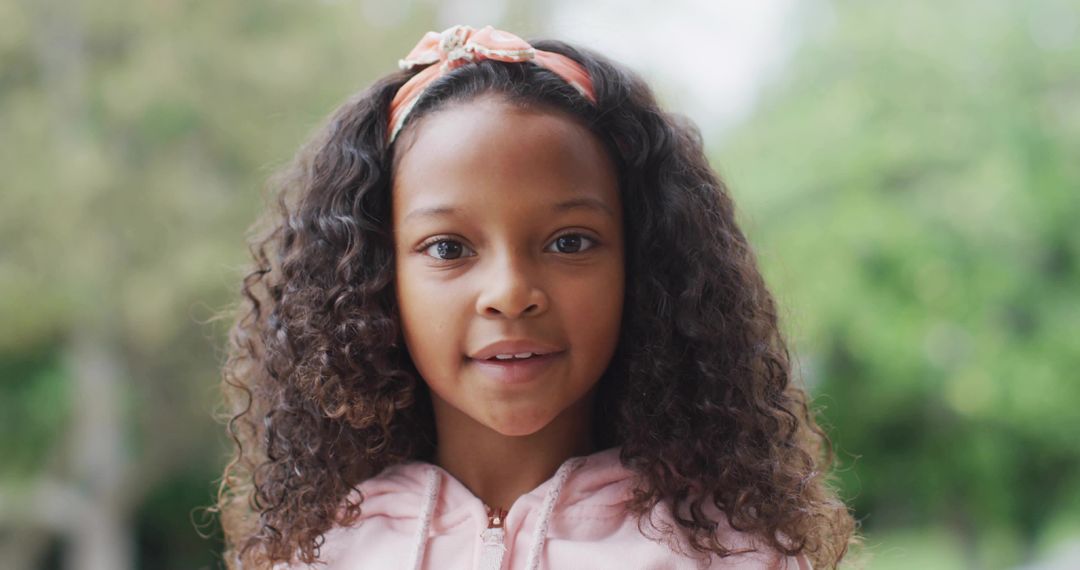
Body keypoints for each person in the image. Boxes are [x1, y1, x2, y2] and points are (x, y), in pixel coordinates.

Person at [211, 24, 857, 570]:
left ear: (644, 266)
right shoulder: (313, 556)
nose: (511, 293)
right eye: (448, 248)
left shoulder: (735, 555)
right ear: (377, 279)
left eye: (570, 242)